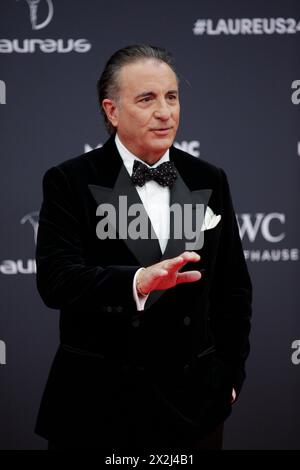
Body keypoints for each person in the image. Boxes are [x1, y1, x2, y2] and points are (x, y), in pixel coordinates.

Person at [35, 44, 252, 450]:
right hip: (98, 408)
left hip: (193, 409)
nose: (165, 112)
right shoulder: (69, 180)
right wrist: (137, 281)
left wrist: (229, 377)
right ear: (112, 111)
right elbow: (56, 281)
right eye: (147, 99)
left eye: (172, 96)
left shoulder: (208, 178)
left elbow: (233, 290)